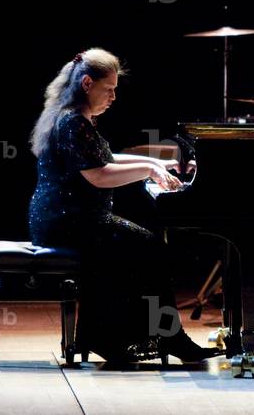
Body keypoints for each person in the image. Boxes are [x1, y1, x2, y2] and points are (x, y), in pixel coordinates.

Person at [27, 47, 218, 365]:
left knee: (140, 246)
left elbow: (104, 158)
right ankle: (165, 338)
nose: (114, 97)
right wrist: (148, 169)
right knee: (149, 246)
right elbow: (99, 175)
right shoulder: (72, 122)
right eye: (109, 89)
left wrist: (154, 163)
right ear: (87, 83)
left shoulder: (73, 117)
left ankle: (123, 336)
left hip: (70, 219)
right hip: (68, 223)